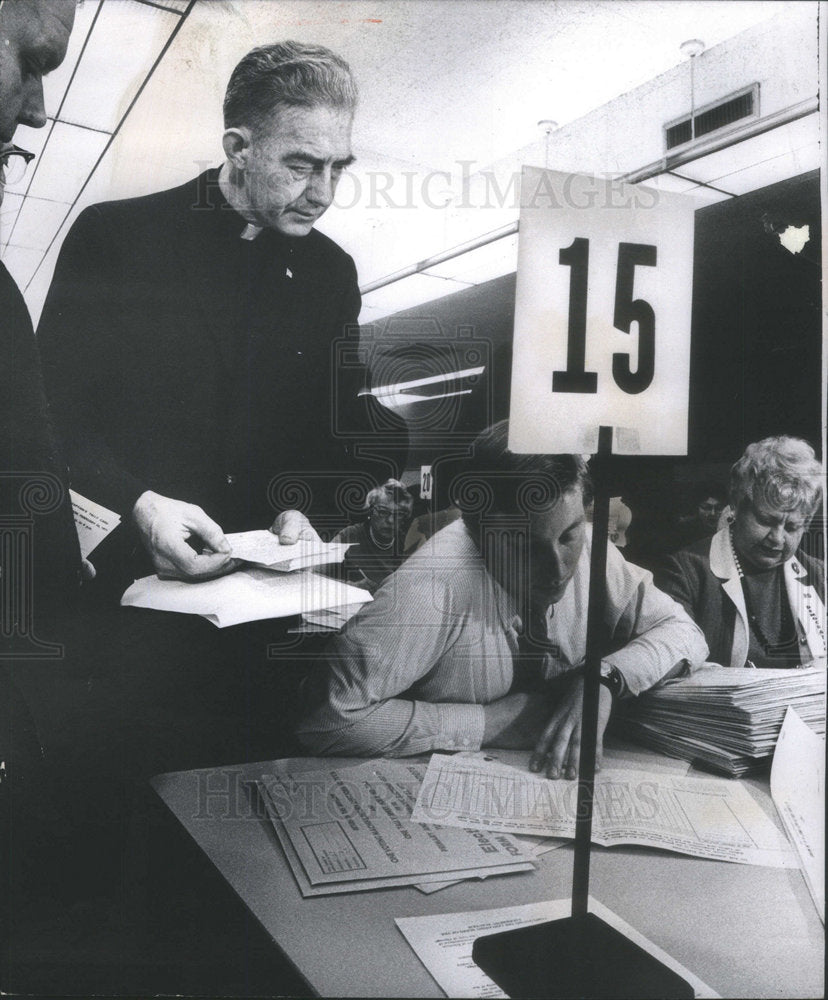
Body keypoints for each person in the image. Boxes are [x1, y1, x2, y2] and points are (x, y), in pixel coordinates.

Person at [37, 40, 400, 598]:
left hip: (265, 593)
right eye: (301, 166)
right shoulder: (117, 237)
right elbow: (52, 416)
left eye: (337, 168)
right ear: (239, 148)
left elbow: (337, 426)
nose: (323, 194)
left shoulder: (330, 274)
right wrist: (139, 504)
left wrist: (311, 508)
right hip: (125, 581)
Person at [297, 421, 708, 777]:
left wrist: (602, 678)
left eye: (568, 535)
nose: (557, 567)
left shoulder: (591, 553)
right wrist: (487, 722)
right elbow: (324, 721)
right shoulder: (430, 585)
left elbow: (683, 630)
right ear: (478, 532)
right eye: (527, 547)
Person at [657, 437, 825, 669]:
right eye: (766, 520)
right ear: (736, 505)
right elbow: (671, 663)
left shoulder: (820, 575)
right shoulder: (686, 572)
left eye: (792, 527)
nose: (777, 538)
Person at [332, 478, 414, 592]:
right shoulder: (349, 536)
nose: (390, 520)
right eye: (383, 512)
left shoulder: (408, 540)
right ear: (371, 511)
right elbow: (314, 576)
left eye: (398, 514)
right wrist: (350, 587)